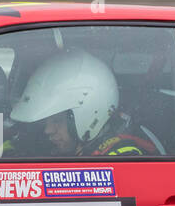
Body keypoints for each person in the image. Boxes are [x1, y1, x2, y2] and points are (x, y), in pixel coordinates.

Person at [9, 48, 154, 157]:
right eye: (46, 121)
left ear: (90, 116)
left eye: (57, 120)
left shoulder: (123, 159)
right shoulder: (70, 148)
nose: (48, 130)